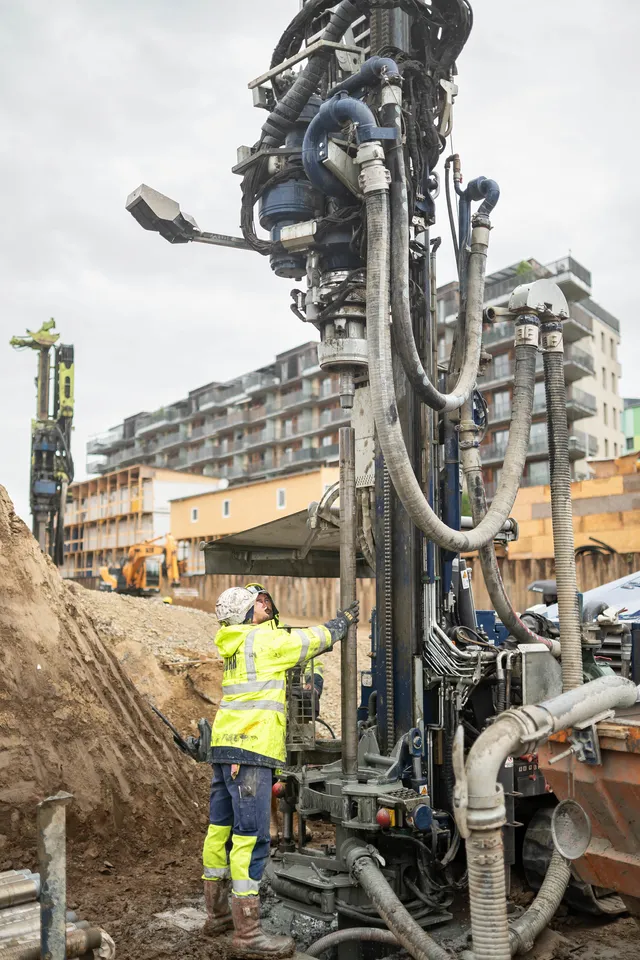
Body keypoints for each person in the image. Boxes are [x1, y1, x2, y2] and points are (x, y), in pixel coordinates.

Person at [202, 584, 359, 958]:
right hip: (252, 748)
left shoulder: (234, 642)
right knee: (249, 837)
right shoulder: (263, 641)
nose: (263, 605)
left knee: (219, 829)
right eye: (255, 603)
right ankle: (249, 934)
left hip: (225, 746)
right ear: (247, 614)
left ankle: (217, 914)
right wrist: (342, 623)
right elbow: (313, 640)